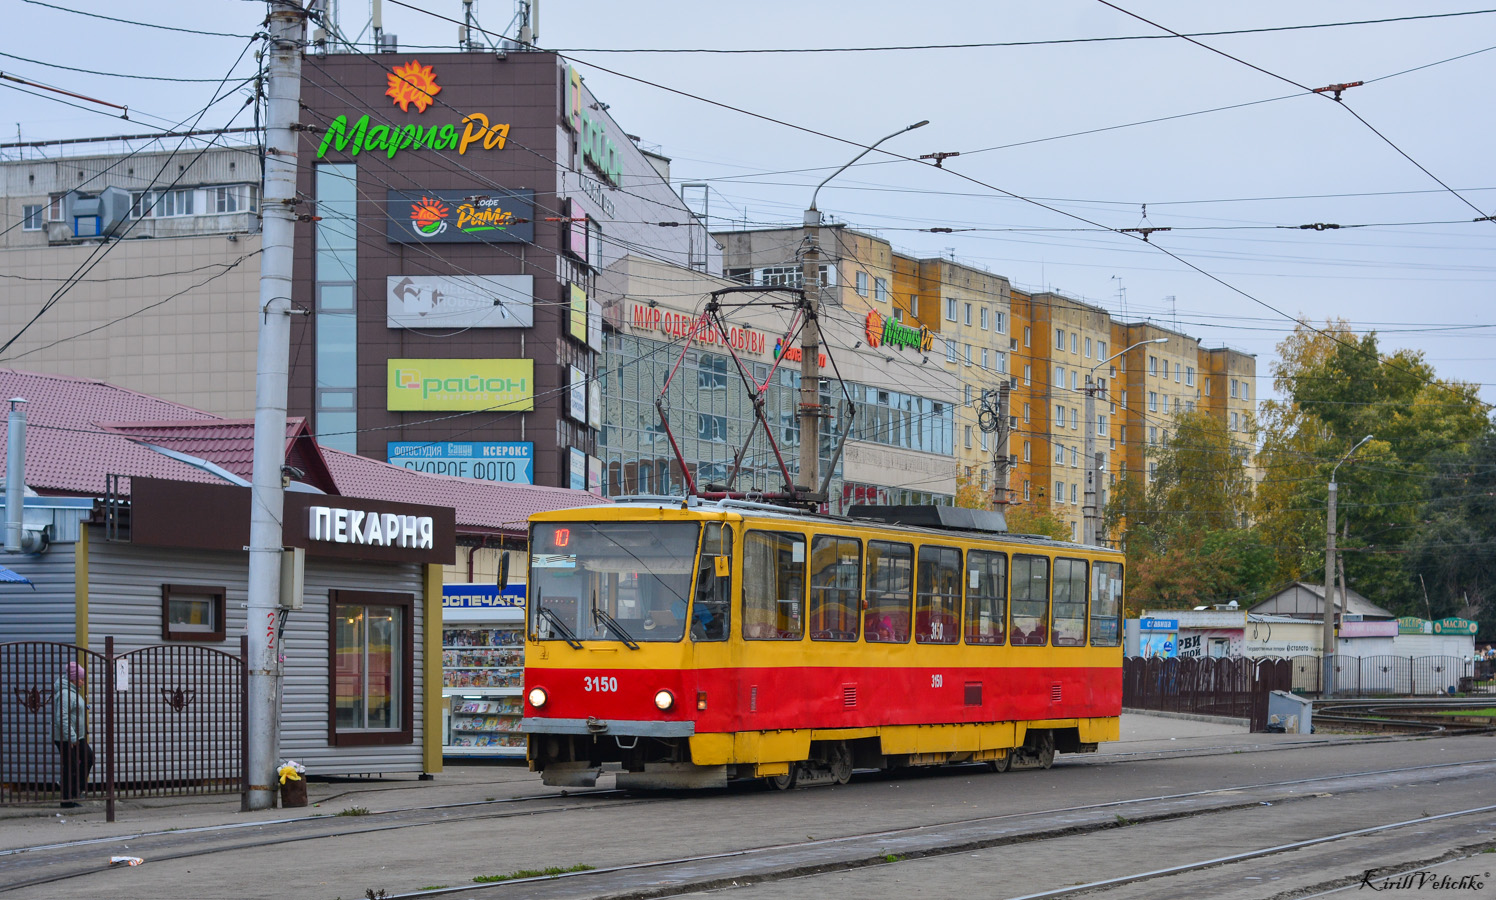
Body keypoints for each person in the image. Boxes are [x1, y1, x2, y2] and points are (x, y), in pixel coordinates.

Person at [52, 660, 93, 809]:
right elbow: (61, 718)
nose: (83, 682)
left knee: (87, 758)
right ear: (73, 679)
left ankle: (75, 790)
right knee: (71, 766)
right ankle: (67, 799)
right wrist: (72, 737)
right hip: (66, 737)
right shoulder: (65, 694)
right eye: (81, 679)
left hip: (76, 736)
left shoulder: (73, 692)